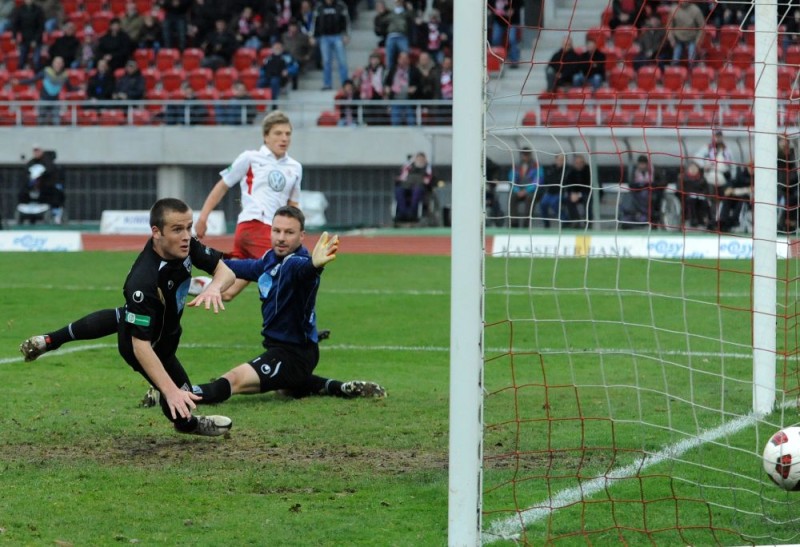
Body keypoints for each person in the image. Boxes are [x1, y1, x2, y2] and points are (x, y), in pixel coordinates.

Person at [22, 198, 238, 437]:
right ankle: (189, 424)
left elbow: (225, 271)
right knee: (181, 399)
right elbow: (141, 347)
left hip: (164, 333)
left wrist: (214, 287)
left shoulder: (184, 244)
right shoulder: (143, 282)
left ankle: (52, 340)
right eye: (178, 229)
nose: (187, 235)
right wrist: (170, 390)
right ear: (156, 232)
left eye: (189, 227)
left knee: (122, 315)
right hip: (146, 346)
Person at [140, 206, 386, 409]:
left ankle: (175, 395)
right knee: (286, 386)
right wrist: (197, 254)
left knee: (235, 380)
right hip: (289, 351)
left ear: (301, 237)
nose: (281, 237)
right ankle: (336, 386)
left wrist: (315, 265)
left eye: (289, 232)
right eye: (277, 230)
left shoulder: (297, 263)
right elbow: (240, 267)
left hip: (293, 353)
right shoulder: (270, 259)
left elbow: (304, 270)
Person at [192, 111, 301, 301]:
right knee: (286, 275)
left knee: (227, 291)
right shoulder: (250, 158)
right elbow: (222, 186)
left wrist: (298, 232)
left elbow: (293, 205)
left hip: (271, 230)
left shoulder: (295, 167)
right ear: (266, 136)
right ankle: (300, 330)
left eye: (288, 134)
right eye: (278, 133)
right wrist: (202, 218)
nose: (284, 138)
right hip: (255, 225)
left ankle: (183, 283)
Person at [15, 55, 77, 125]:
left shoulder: (64, 75)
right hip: (43, 100)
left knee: (56, 121)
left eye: (60, 63)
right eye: (56, 63)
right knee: (41, 121)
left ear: (62, 64)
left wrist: (79, 89)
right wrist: (20, 82)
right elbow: (33, 80)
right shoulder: (46, 71)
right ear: (53, 63)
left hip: (55, 101)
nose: (58, 65)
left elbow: (70, 88)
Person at [311, 0, 350, 91]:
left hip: (338, 36)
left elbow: (346, 21)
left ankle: (345, 84)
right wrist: (312, 35)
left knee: (342, 61)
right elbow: (314, 22)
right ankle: (327, 84)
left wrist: (346, 34)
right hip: (324, 37)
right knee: (326, 61)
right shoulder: (319, 6)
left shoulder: (341, 5)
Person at [383, 50, 420, 126]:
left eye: (405, 58)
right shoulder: (393, 70)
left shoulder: (414, 70)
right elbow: (387, 82)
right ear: (398, 60)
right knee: (395, 123)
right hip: (396, 100)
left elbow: (420, 84)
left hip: (409, 101)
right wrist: (387, 88)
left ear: (408, 60)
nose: (403, 60)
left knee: (411, 123)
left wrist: (415, 88)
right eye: (401, 58)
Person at [508, 148, 543, 228]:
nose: (525, 156)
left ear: (530, 155)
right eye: (524, 154)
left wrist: (526, 190)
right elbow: (511, 178)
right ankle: (514, 222)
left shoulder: (536, 165)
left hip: (531, 191)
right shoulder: (516, 165)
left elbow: (538, 180)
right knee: (512, 197)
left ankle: (526, 223)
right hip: (519, 190)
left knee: (530, 198)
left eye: (527, 155)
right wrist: (517, 190)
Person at [394, 151, 432, 223]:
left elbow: (428, 179)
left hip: (420, 187)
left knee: (417, 191)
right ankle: (402, 212)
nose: (420, 160)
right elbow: (403, 176)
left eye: (421, 159)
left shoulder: (427, 167)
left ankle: (413, 212)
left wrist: (425, 182)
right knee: (399, 190)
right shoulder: (409, 166)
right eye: (418, 158)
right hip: (407, 186)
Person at [619, 154, 655, 226]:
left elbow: (659, 183)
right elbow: (631, 183)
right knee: (628, 196)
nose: (641, 166)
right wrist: (638, 186)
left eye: (643, 164)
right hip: (636, 192)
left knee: (644, 194)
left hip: (650, 192)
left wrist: (648, 185)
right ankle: (628, 215)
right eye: (640, 164)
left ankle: (645, 215)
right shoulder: (635, 171)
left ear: (647, 164)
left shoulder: (654, 171)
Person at [717, 162, 753, 233]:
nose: (752, 170)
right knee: (727, 198)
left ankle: (734, 221)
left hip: (748, 200)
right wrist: (729, 188)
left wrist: (735, 191)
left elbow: (751, 190)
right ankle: (723, 221)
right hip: (736, 197)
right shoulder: (741, 175)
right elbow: (733, 184)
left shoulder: (757, 179)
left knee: (742, 200)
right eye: (750, 167)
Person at [668, 0, 705, 65]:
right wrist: (671, 39)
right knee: (675, 60)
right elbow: (669, 26)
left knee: (691, 60)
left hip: (691, 39)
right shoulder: (673, 9)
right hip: (678, 39)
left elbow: (702, 27)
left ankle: (692, 73)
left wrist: (697, 42)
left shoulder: (696, 10)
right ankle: (675, 73)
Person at [11, 0, 45, 70]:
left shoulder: (38, 10)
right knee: (21, 61)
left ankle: (37, 77)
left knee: (36, 61)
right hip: (25, 39)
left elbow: (41, 27)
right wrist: (14, 37)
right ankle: (20, 77)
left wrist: (36, 40)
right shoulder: (20, 10)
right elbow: (15, 25)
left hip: (36, 38)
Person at [257, 41, 290, 108]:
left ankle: (274, 103)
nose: (277, 49)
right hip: (267, 76)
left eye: (278, 47)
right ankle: (259, 103)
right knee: (260, 82)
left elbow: (290, 67)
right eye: (275, 47)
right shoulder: (268, 58)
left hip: (278, 77)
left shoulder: (285, 58)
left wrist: (286, 71)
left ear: (281, 49)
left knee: (274, 82)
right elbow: (263, 68)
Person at [562, 154, 592, 229]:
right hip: (575, 194)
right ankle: (576, 221)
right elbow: (568, 184)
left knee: (587, 200)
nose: (579, 165)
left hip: (587, 193)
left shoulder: (588, 171)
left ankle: (588, 222)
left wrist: (579, 194)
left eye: (581, 162)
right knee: (568, 199)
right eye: (577, 163)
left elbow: (589, 186)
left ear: (584, 163)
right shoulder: (571, 171)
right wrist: (572, 193)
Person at [680, 160, 711, 229]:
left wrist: (702, 194)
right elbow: (681, 189)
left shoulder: (702, 179)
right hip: (688, 197)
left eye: (695, 168)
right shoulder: (684, 178)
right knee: (691, 201)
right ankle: (692, 220)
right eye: (691, 168)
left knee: (704, 203)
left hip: (700, 196)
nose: (693, 170)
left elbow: (706, 189)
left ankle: (702, 220)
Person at [489, 0, 520, 67]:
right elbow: (490, 5)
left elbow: (519, 4)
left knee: (512, 39)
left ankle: (514, 60)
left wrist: (513, 9)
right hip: (499, 21)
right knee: (495, 39)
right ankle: (497, 60)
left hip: (512, 21)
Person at [538, 153, 566, 228]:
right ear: (556, 160)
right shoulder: (551, 169)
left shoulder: (567, 170)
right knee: (543, 203)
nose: (560, 161)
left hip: (561, 192)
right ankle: (546, 223)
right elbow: (546, 180)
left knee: (554, 203)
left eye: (562, 160)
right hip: (550, 192)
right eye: (559, 159)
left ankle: (565, 220)